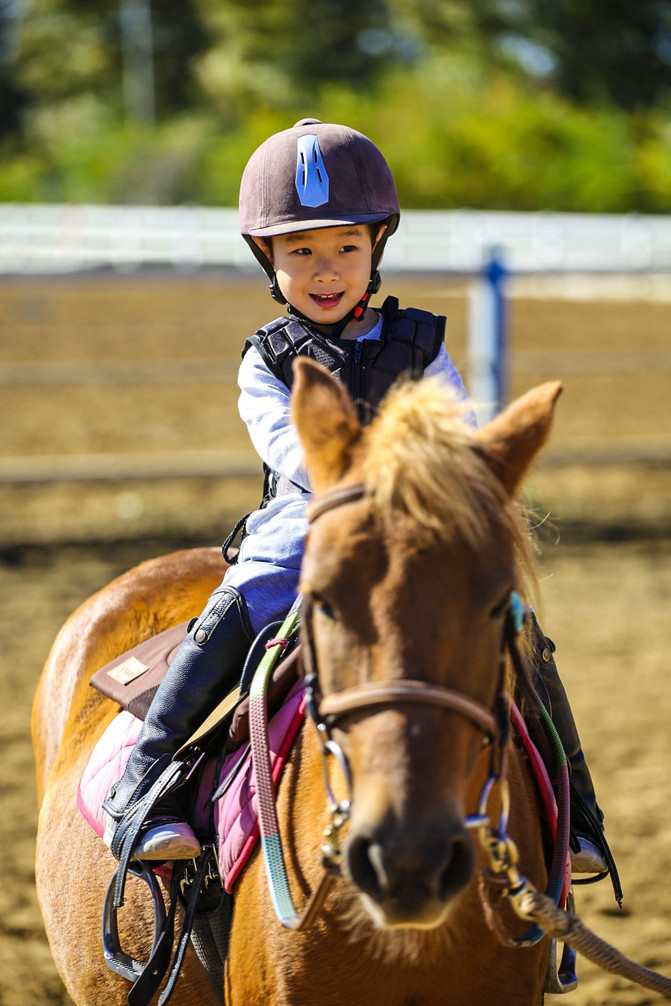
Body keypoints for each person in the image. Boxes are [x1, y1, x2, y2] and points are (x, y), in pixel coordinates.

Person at [104, 118, 607, 876]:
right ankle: (141, 789)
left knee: (519, 628)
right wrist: (365, 488)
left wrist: (428, 498)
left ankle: (577, 814)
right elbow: (289, 448)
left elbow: (453, 433)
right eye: (300, 251)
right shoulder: (265, 362)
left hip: (414, 525)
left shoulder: (421, 344)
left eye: (344, 247)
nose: (325, 269)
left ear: (375, 247)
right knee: (238, 602)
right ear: (266, 259)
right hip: (309, 520)